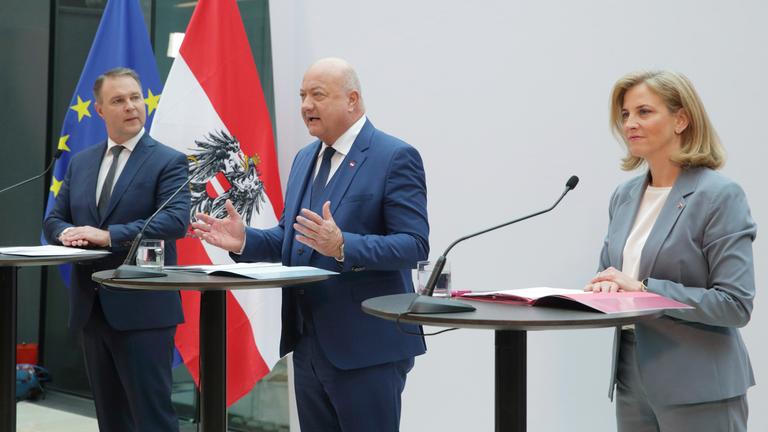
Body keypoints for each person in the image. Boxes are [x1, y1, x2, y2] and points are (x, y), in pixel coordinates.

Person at [192, 57, 428, 432]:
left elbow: (414, 244)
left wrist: (344, 245)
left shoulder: (394, 157)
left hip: (366, 347)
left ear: (352, 100)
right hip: (308, 345)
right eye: (302, 95)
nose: (305, 106)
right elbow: (294, 237)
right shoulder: (305, 159)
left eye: (317, 95)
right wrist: (245, 240)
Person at [585, 70, 755, 431]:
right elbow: (611, 276)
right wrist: (604, 287)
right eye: (626, 114)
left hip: (700, 385)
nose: (630, 123)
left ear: (681, 119)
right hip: (632, 378)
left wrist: (645, 290)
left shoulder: (719, 196)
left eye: (644, 112)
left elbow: (736, 305)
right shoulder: (625, 196)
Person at [44, 67, 190, 432]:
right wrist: (68, 234)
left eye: (135, 98)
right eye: (119, 100)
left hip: (143, 307)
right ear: (99, 110)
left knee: (152, 417)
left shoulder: (167, 161)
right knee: (111, 419)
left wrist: (107, 236)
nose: (130, 107)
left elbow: (175, 221)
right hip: (92, 309)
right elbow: (54, 219)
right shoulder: (81, 162)